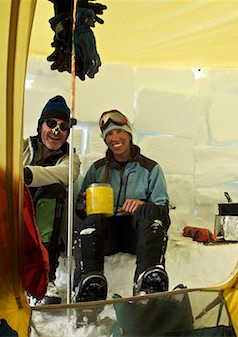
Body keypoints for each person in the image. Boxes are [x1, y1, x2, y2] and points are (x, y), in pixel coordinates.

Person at [73, 109, 171, 302]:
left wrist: (142, 205)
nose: (114, 137)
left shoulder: (150, 168)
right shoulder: (97, 169)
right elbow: (79, 207)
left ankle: (148, 280)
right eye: (109, 134)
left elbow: (163, 210)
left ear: (129, 134)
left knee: (150, 210)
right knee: (93, 220)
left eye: (119, 131)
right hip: (106, 235)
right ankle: (89, 284)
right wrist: (85, 206)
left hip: (136, 235)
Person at [23, 95, 81, 304]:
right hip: (15, 218)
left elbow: (64, 174)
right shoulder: (20, 148)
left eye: (63, 126)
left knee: (53, 190)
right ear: (41, 126)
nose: (56, 131)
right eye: (51, 123)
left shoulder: (70, 158)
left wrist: (26, 175)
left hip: (47, 227)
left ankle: (45, 278)